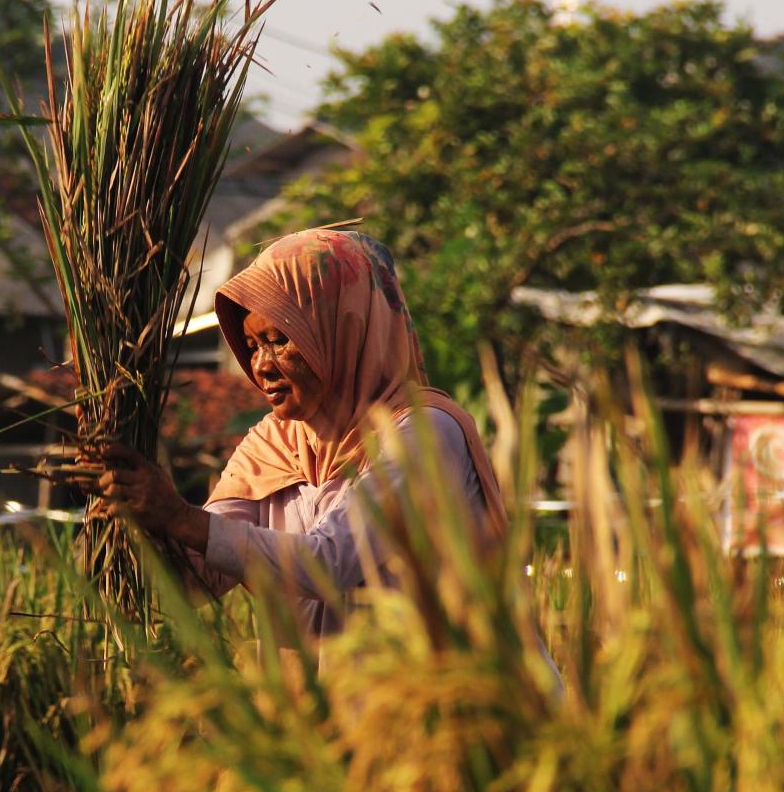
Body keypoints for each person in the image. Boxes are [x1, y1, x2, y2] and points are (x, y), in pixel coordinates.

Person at [91, 228, 506, 638]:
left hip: (437, 694)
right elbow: (201, 578)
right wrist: (135, 524)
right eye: (252, 345)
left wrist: (179, 517)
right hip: (321, 700)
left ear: (345, 331)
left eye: (279, 339)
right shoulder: (272, 445)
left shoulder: (423, 432)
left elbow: (329, 563)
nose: (261, 366)